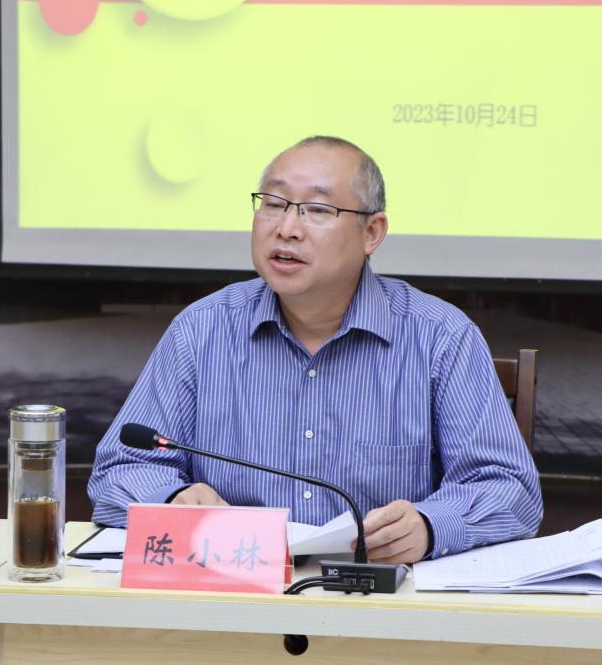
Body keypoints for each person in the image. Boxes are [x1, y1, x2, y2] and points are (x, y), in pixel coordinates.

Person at [88, 136, 542, 564]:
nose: (287, 229)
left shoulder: (440, 337)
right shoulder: (203, 330)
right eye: (273, 204)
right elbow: (120, 468)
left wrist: (429, 526)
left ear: (372, 232)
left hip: (379, 598)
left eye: (318, 210)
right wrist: (172, 500)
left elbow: (509, 489)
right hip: (235, 587)